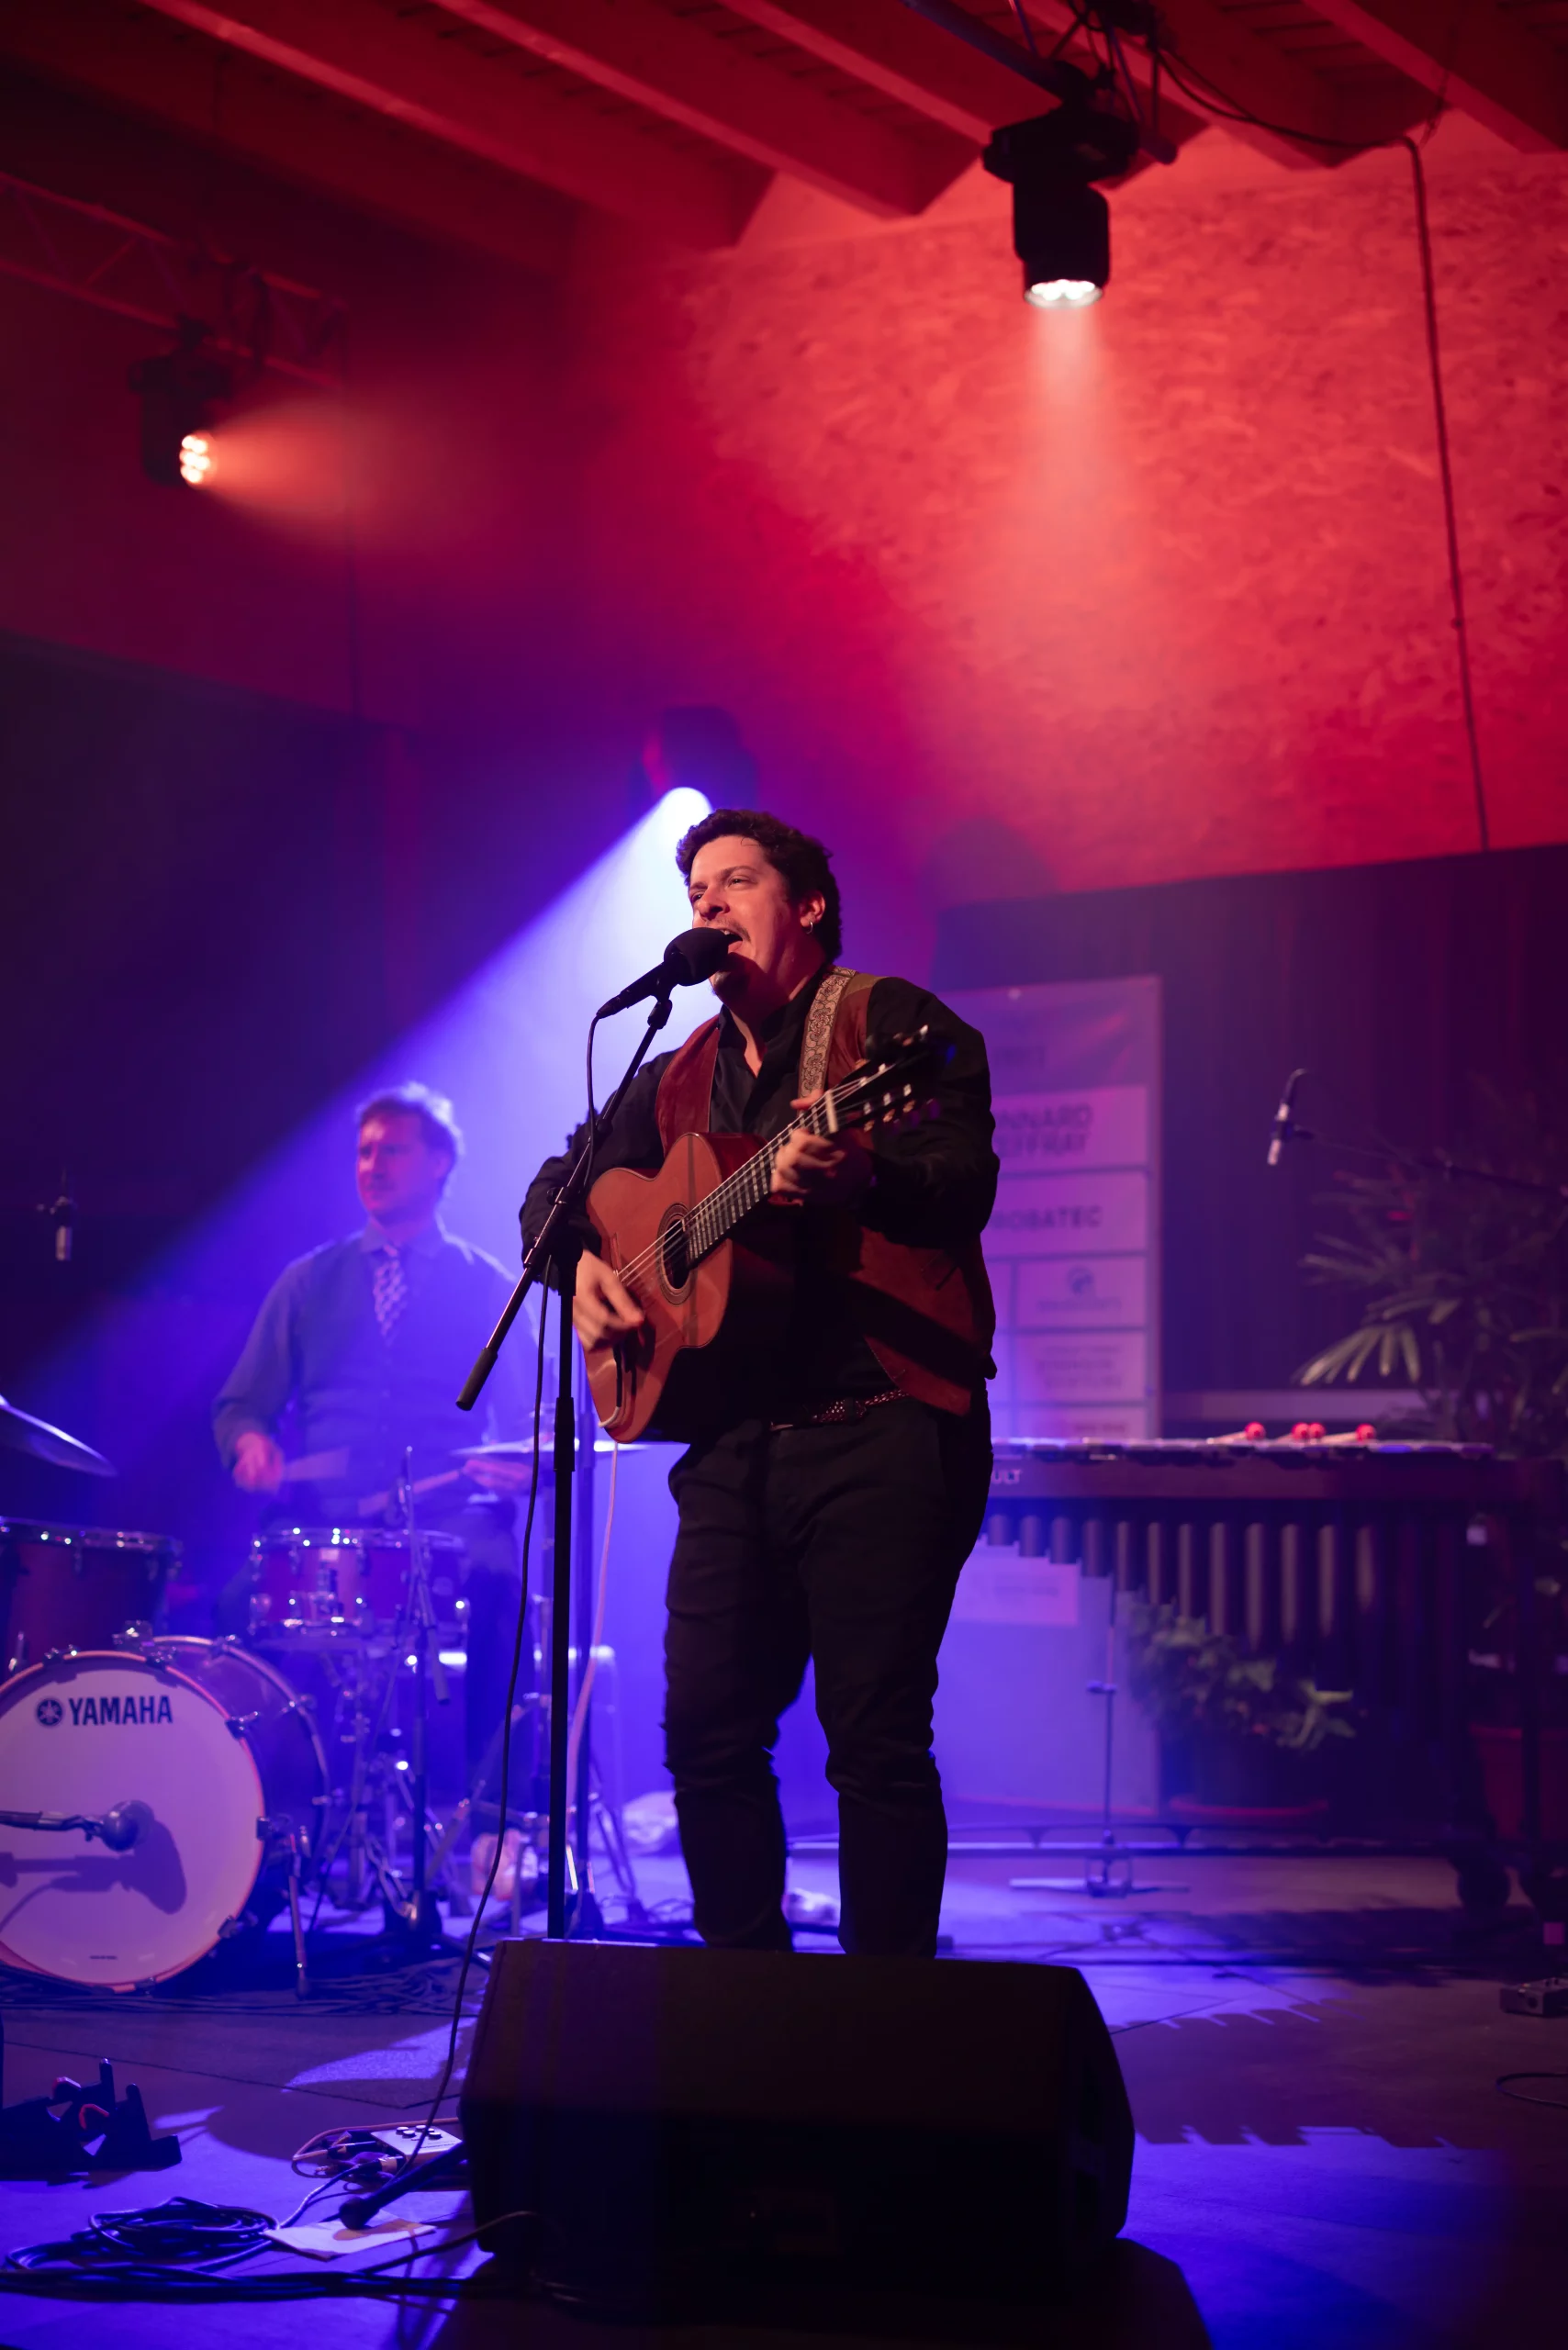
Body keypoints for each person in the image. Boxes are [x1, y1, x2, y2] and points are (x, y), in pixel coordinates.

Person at [521, 811, 997, 1957]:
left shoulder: (889, 1024)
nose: (709, 906)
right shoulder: (676, 1070)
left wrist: (860, 1176)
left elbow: (961, 1179)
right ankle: (745, 1998)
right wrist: (581, 1268)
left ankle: (886, 2019)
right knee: (705, 1734)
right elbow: (554, 1190)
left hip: (880, 1423)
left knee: (873, 1738)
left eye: (735, 882)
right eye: (696, 894)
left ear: (808, 906)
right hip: (734, 1444)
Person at [213, 1083, 531, 1774]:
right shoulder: (306, 1281)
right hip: (325, 1517)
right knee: (236, 1606)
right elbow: (241, 1405)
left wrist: (523, 1463)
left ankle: (494, 1815)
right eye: (364, 1152)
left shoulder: (488, 1285)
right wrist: (249, 1442)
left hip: (448, 1516)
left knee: (501, 1583)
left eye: (392, 1151)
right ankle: (266, 1805)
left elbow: (530, 1423)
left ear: (439, 1163)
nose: (372, 1166)